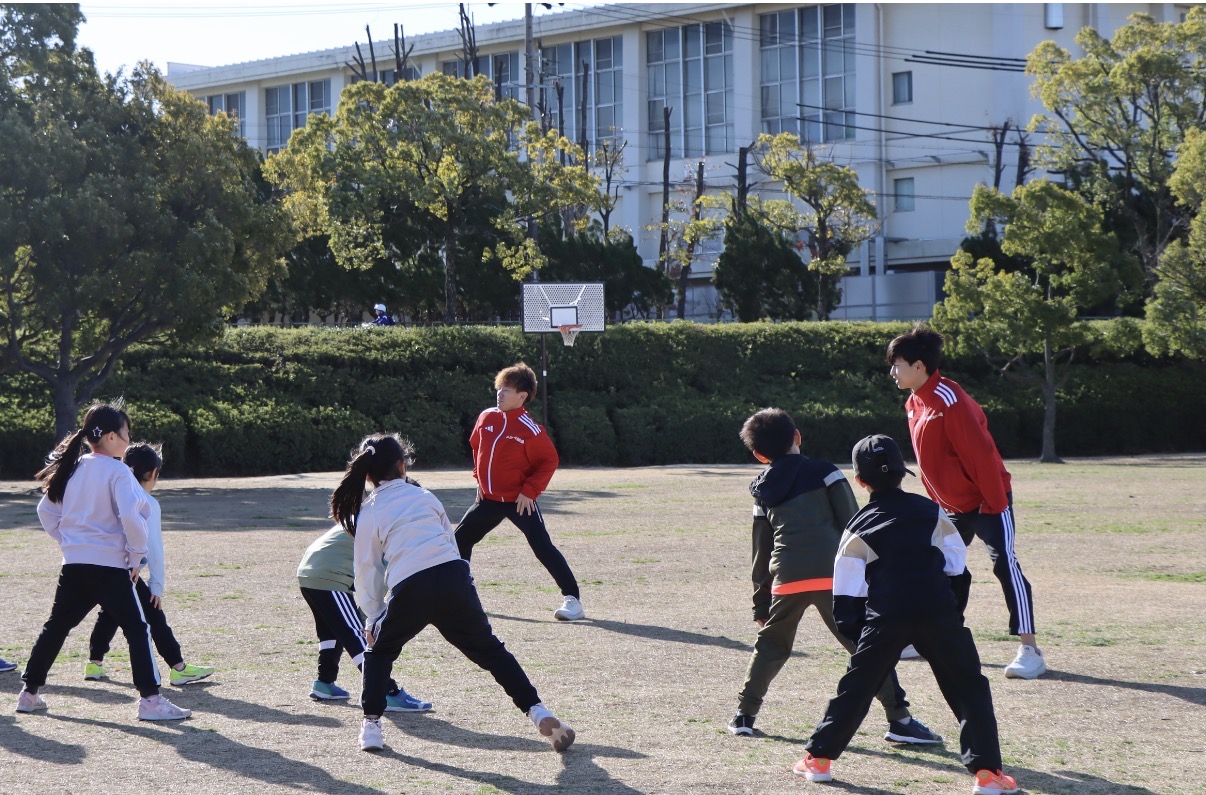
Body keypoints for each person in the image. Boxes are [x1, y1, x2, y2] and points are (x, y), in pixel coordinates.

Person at [794, 434, 1019, 795]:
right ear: (904, 474)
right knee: (969, 687)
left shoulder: (858, 525)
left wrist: (861, 638)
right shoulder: (933, 511)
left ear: (859, 481)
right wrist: (949, 614)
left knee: (857, 687)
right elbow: (957, 569)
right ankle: (988, 775)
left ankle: (819, 760)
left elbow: (847, 594)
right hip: (937, 608)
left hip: (885, 615)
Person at [330, 433, 575, 753]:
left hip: (411, 585)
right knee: (491, 650)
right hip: (453, 577)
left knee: (379, 653)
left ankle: (372, 726)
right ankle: (538, 711)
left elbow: (367, 568)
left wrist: (373, 616)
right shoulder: (425, 497)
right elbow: (450, 542)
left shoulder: (370, 509)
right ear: (402, 466)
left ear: (368, 475)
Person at [728, 409, 941, 745]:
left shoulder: (761, 492)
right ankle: (899, 720)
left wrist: (760, 602)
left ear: (758, 454)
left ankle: (744, 715)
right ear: (797, 436)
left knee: (772, 645)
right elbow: (854, 525)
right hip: (834, 576)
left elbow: (761, 549)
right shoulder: (825, 473)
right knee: (866, 648)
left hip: (786, 577)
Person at [887, 324, 1046, 679]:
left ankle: (1030, 650)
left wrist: (994, 503)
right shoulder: (914, 402)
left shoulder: (950, 400)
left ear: (919, 366)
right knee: (936, 567)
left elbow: (982, 455)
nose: (892, 371)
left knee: (1005, 565)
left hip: (988, 501)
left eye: (897, 364)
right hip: (951, 507)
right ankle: (931, 638)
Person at [19, 401, 191, 721]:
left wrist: (69, 542)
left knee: (56, 627)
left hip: (74, 565)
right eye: (127, 434)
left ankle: (29, 693)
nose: (128, 440)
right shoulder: (118, 471)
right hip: (111, 567)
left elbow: (46, 511)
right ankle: (151, 701)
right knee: (138, 629)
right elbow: (132, 516)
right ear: (111, 437)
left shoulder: (72, 468)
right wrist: (136, 557)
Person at [454, 363, 583, 622]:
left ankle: (573, 600)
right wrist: (480, 480)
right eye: (498, 388)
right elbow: (476, 446)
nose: (499, 394)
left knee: (542, 547)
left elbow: (549, 460)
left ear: (522, 396)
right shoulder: (486, 417)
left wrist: (530, 491)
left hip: (519, 501)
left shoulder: (529, 428)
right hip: (488, 499)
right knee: (457, 542)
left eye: (506, 390)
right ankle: (461, 594)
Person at [84, 443, 214, 687]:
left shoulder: (111, 494)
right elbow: (153, 548)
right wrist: (157, 585)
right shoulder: (148, 503)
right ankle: (179, 667)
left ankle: (94, 662)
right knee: (153, 615)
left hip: (98, 566)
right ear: (154, 473)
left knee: (109, 613)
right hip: (123, 570)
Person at [298, 523, 433, 712]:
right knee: (357, 635)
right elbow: (381, 576)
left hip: (309, 571)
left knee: (332, 630)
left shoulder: (374, 513)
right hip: (330, 575)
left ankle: (324, 683)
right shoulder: (392, 526)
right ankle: (387, 692)